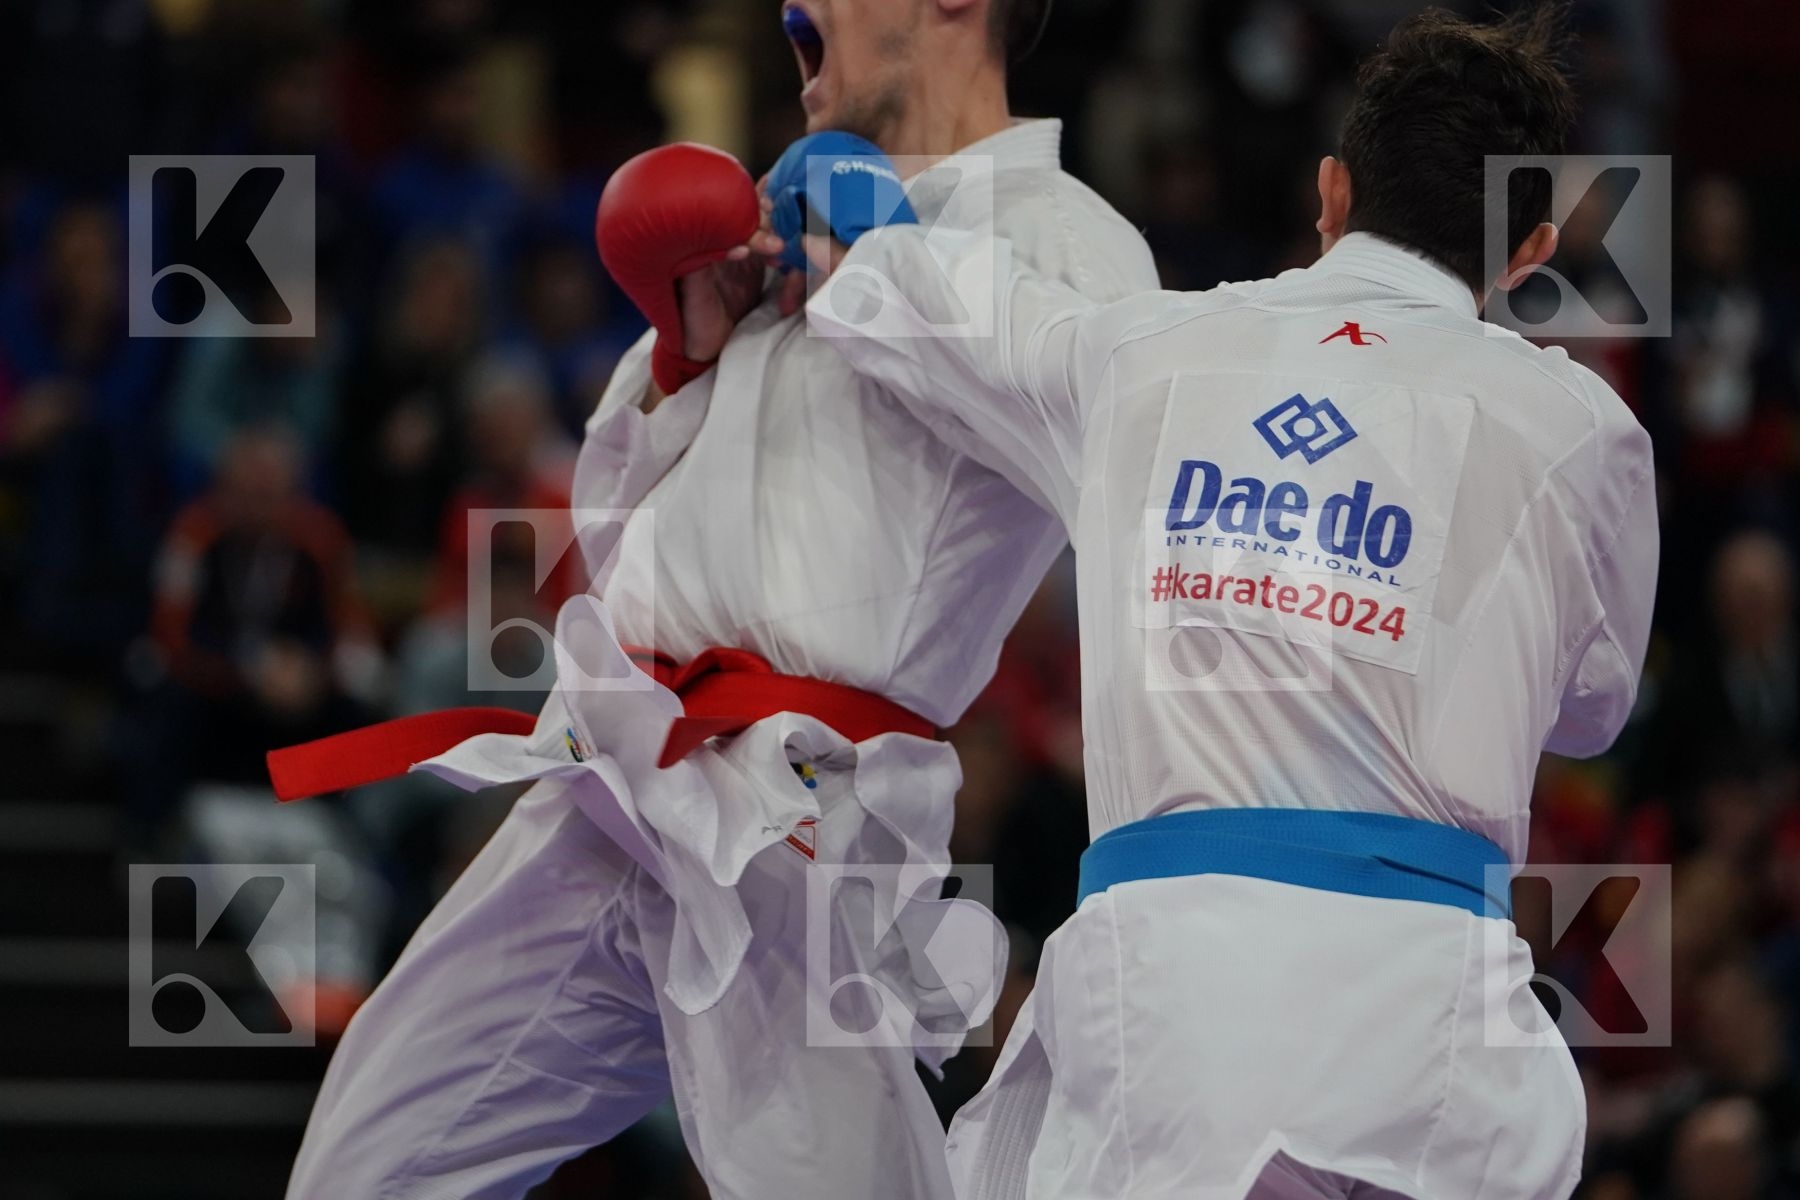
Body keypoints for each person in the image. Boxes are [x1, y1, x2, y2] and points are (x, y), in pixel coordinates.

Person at [282, 2, 1157, 1198]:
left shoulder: (1067, 240)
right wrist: (685, 351)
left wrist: (884, 251)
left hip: (801, 823)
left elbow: (1093, 447)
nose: (791, 8)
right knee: (363, 1169)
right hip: (619, 776)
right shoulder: (777, 215)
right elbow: (609, 520)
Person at [807, 6, 1659, 1197]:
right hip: (1438, 1030)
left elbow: (950, 307)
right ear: (1530, 252)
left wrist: (841, 203)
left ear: (1331, 192)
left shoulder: (1145, 354)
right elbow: (1593, 713)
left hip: (1169, 1010)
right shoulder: (1580, 429)